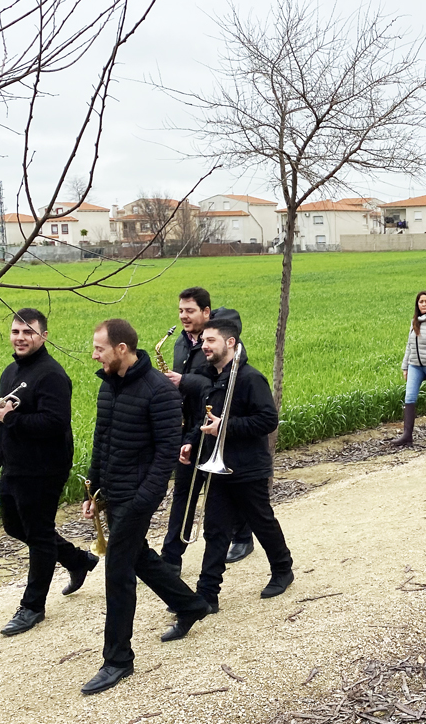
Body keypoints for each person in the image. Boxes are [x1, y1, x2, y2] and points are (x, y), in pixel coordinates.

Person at [82, 319, 213, 695]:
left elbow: (165, 454)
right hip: (113, 491)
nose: (94, 354)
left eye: (99, 348)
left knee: (118, 571)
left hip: (138, 496)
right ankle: (190, 604)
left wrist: (144, 499)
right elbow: (101, 439)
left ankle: (118, 660)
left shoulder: (159, 392)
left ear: (121, 349)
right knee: (138, 557)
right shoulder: (108, 387)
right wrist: (92, 490)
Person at [0, 309, 96, 638]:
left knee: (38, 534)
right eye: (16, 331)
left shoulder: (50, 374)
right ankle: (77, 560)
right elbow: (0, 419)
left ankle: (33, 606)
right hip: (15, 466)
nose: (20, 337)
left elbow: (56, 423)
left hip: (44, 468)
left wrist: (12, 419)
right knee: (14, 526)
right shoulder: (10, 373)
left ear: (43, 336)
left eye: (28, 332)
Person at [185, 318, 293, 620]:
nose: (204, 346)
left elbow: (267, 420)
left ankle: (283, 569)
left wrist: (226, 427)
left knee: (261, 521)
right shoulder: (211, 379)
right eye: (203, 341)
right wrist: (191, 441)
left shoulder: (248, 378)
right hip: (218, 467)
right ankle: (208, 594)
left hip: (248, 467)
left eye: (211, 341)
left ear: (230, 343)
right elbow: (205, 419)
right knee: (215, 530)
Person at [160, 288, 253, 570]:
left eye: (189, 311)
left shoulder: (222, 343)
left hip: (215, 423)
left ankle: (243, 535)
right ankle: (171, 557)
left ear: (206, 312)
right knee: (184, 492)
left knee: (224, 489)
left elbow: (223, 383)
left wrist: (184, 380)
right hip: (189, 424)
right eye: (180, 311)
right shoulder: (180, 342)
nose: (183, 316)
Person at [393, 291, 426, 447]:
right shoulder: (414, 322)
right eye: (421, 302)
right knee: (409, 397)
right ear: (417, 305)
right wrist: (405, 366)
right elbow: (409, 345)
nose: (423, 304)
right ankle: (407, 436)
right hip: (414, 365)